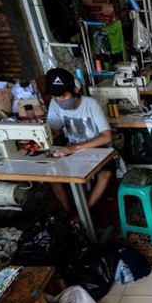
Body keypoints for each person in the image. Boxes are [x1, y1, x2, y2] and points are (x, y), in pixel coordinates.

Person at [45, 67, 115, 218]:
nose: (59, 100)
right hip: (73, 150)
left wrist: (75, 148)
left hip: (99, 149)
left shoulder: (91, 105)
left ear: (75, 90)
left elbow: (107, 137)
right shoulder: (55, 104)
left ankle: (82, 214)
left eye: (63, 96)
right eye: (55, 97)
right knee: (50, 176)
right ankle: (70, 212)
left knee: (105, 174)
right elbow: (55, 130)